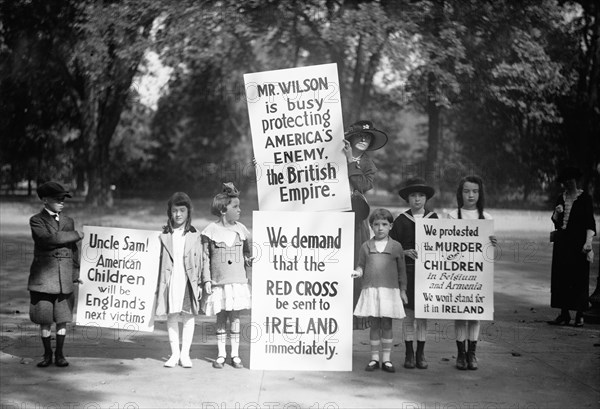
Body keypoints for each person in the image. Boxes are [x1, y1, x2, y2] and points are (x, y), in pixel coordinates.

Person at [28, 181, 83, 368]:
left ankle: (60, 354)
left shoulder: (68, 221)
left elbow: (74, 252)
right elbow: (47, 240)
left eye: (63, 199)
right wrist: (75, 234)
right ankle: (46, 354)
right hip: (44, 278)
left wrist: (75, 273)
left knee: (62, 319)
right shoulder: (36, 220)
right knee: (44, 320)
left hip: (65, 278)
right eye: (57, 199)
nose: (62, 202)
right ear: (45, 200)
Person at [447, 175, 497, 370]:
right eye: (467, 191)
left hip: (478, 273)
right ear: (460, 193)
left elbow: (489, 250)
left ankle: (472, 354)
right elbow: (445, 244)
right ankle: (460, 354)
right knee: (460, 314)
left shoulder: (487, 217)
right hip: (458, 272)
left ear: (480, 193)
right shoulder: (452, 215)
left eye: (475, 191)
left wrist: (493, 243)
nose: (471, 195)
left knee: (475, 314)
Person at [343, 120, 388, 330]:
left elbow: (363, 184)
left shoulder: (368, 165)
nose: (364, 139)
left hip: (355, 220)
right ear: (351, 137)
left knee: (354, 265)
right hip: (329, 218)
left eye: (368, 137)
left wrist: (350, 162)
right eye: (360, 135)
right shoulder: (331, 155)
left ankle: (352, 317)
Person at [201, 182, 252, 369]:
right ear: (223, 210)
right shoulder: (211, 231)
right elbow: (205, 258)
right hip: (219, 282)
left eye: (239, 206)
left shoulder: (241, 230)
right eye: (235, 207)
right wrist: (206, 279)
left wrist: (248, 259)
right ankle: (221, 354)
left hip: (236, 281)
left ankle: (235, 355)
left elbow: (247, 252)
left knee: (235, 317)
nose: (240, 210)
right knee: (221, 317)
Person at [390, 177, 438, 370]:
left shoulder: (434, 219)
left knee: (422, 313)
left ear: (426, 198)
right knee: (409, 314)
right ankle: (409, 352)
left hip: (428, 274)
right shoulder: (401, 221)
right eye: (413, 195)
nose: (417, 199)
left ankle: (421, 352)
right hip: (408, 273)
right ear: (407, 198)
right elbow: (390, 247)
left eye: (421, 195)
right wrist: (403, 252)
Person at [352, 208, 408, 373]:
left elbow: (402, 272)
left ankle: (386, 359)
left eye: (384, 224)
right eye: (376, 224)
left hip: (389, 292)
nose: (380, 228)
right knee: (374, 324)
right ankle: (374, 358)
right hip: (372, 290)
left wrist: (403, 291)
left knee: (387, 323)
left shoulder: (396, 247)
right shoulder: (366, 246)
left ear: (391, 226)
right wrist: (357, 272)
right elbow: (361, 265)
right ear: (371, 226)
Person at [155, 192, 202, 368]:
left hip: (188, 279)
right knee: (172, 314)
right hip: (171, 279)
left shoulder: (195, 235)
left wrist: (204, 283)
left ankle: (185, 354)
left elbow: (203, 260)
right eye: (175, 211)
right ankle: (174, 354)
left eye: (182, 210)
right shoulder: (164, 235)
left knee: (188, 315)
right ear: (170, 212)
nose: (178, 215)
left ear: (188, 212)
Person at [548, 166, 596, 327]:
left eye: (570, 180)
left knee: (579, 277)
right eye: (565, 182)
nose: (567, 184)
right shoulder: (561, 198)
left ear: (575, 180)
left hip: (578, 242)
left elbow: (590, 222)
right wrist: (556, 213)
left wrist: (588, 242)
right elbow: (555, 221)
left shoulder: (584, 198)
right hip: (563, 242)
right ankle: (564, 313)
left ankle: (580, 314)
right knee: (561, 277)